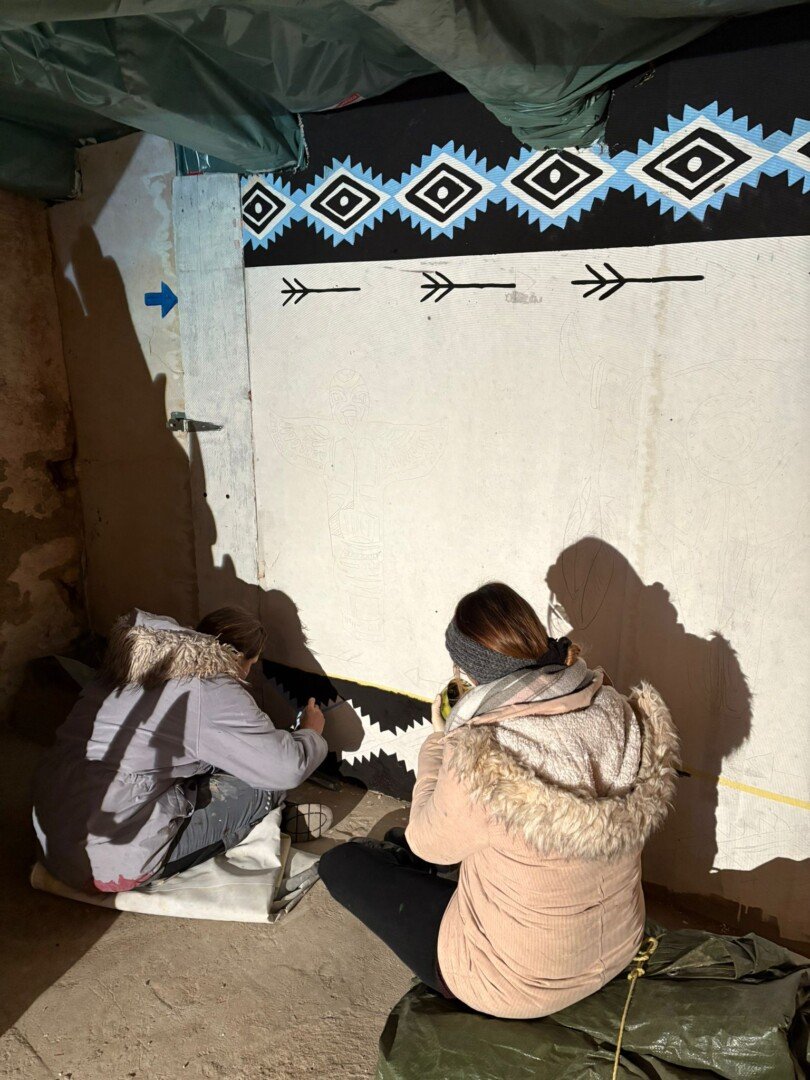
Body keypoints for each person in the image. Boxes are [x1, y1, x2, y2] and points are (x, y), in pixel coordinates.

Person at [319, 582, 679, 1020]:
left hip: (512, 984)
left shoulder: (485, 753)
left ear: (469, 675)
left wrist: (441, 741)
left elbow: (427, 844)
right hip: (620, 943)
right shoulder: (613, 706)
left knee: (342, 864)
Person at [33, 607, 329, 893]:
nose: (248, 673)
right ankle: (267, 819)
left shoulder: (130, 661)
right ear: (239, 657)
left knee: (206, 764)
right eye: (252, 664)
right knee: (263, 788)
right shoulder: (209, 687)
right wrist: (309, 733)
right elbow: (286, 768)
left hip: (52, 838)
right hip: (105, 862)